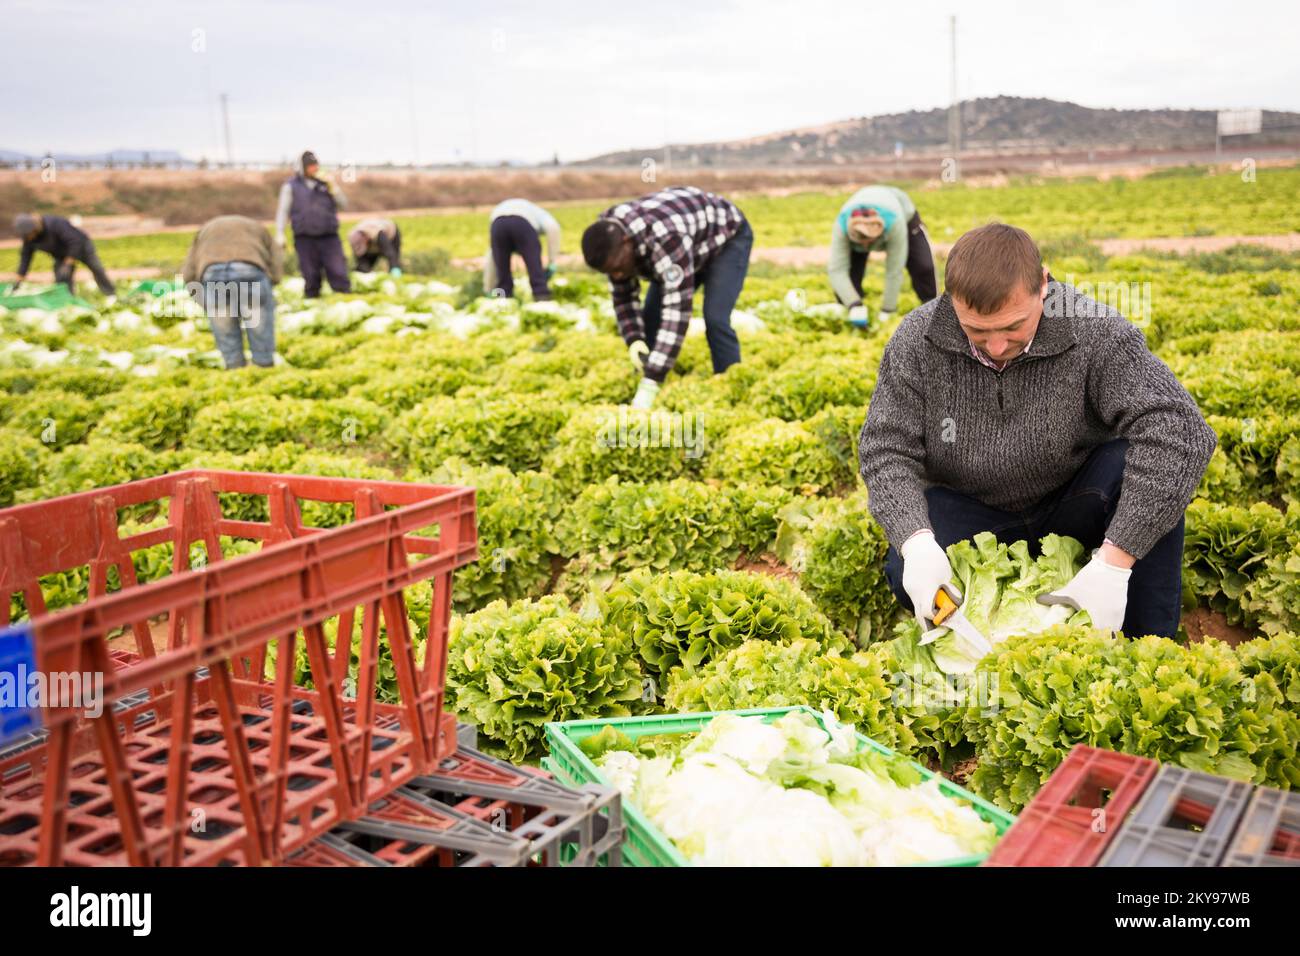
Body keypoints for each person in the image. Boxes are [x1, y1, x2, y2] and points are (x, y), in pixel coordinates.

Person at [859, 223, 1216, 640]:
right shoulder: (915, 340)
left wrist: (1115, 561)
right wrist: (915, 541)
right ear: (951, 301)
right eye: (977, 331)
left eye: (1013, 327)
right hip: (973, 506)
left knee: (1138, 467)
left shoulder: (1095, 331)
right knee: (905, 565)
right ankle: (977, 648)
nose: (995, 347)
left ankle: (1148, 644)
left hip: (1073, 500)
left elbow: (1182, 430)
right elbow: (886, 449)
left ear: (1043, 285)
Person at [581, 186, 752, 410]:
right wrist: (635, 340)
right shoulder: (607, 240)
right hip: (687, 244)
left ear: (626, 241)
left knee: (715, 318)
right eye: (609, 273)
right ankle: (649, 374)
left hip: (725, 239)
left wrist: (652, 380)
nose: (617, 275)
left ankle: (732, 389)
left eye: (618, 268)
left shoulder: (665, 239)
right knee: (651, 316)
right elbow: (623, 298)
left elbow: (677, 309)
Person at [181, 215, 282, 369]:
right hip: (249, 270)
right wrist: (273, 281)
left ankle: (234, 368)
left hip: (213, 273)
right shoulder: (257, 227)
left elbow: (189, 271)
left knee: (224, 326)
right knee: (258, 323)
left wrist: (202, 300)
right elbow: (276, 256)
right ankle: (264, 366)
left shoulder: (205, 230)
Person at [828, 185, 936, 328]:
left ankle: (933, 314)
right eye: (863, 243)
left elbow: (894, 269)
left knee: (923, 267)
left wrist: (888, 310)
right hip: (859, 228)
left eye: (870, 242)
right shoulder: (842, 226)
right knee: (849, 279)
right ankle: (850, 316)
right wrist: (854, 304)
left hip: (905, 217)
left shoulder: (894, 222)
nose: (867, 248)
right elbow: (837, 270)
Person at [275, 150, 351, 297]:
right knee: (311, 275)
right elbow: (283, 211)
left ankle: (344, 298)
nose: (314, 168)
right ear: (302, 168)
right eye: (310, 166)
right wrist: (280, 233)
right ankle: (313, 300)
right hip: (305, 238)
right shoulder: (290, 186)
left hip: (329, 237)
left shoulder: (326, 184)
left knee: (338, 271)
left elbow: (344, 204)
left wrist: (334, 188)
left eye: (315, 165)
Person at [11, 213, 116, 301]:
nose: (29, 237)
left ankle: (110, 294)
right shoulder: (29, 239)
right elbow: (25, 258)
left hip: (82, 247)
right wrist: (19, 279)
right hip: (60, 254)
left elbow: (75, 241)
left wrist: (69, 262)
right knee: (61, 278)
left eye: (29, 234)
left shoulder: (55, 224)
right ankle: (67, 300)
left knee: (96, 268)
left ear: (34, 228)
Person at [484, 198, 560, 300]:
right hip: (522, 223)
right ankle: (542, 296)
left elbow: (493, 257)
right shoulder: (538, 213)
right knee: (535, 267)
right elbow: (553, 228)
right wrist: (552, 262)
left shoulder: (504, 212)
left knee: (502, 271)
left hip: (498, 224)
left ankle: (502, 300)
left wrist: (488, 289)